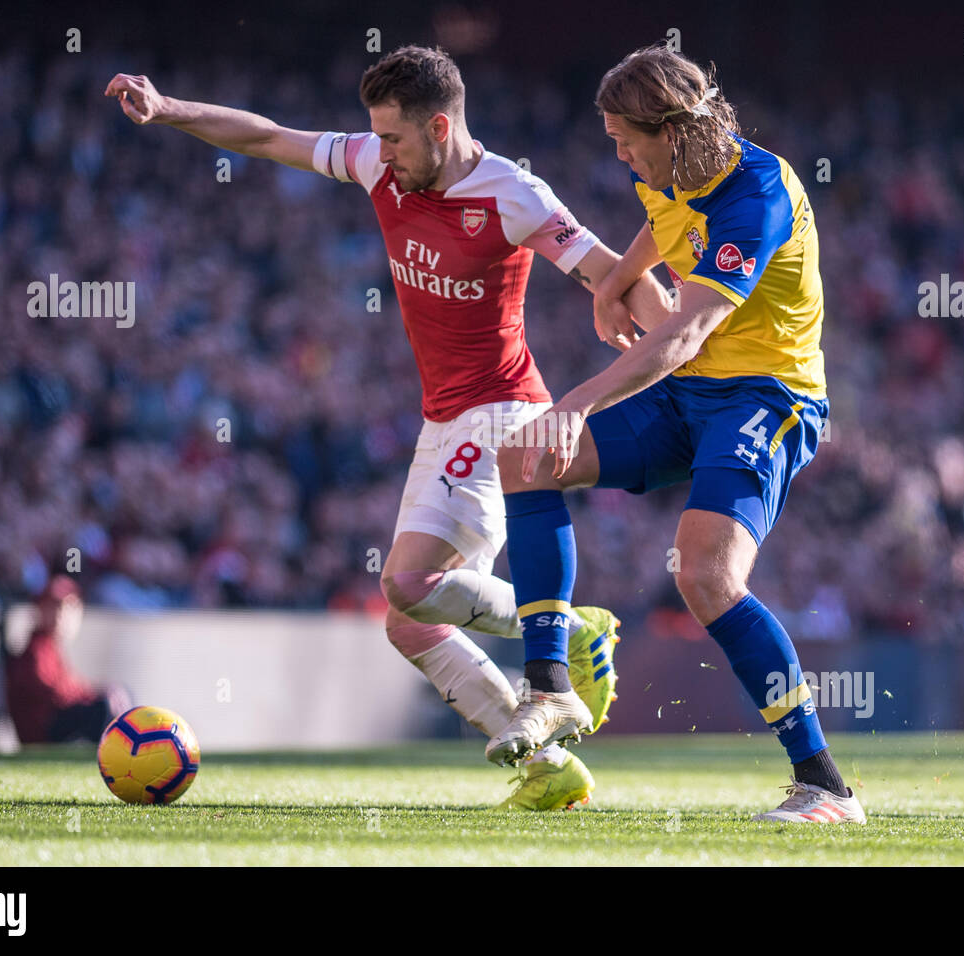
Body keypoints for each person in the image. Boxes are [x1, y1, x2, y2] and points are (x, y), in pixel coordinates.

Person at [105, 45, 669, 809]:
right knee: (408, 622)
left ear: (440, 126)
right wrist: (171, 109)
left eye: (396, 139)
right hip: (442, 419)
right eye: (377, 138)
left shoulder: (513, 194)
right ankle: (548, 768)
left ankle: (565, 631)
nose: (383, 153)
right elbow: (269, 138)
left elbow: (611, 269)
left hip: (504, 410)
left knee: (407, 582)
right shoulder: (377, 163)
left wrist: (670, 334)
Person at [489, 44, 867, 824]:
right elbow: (664, 223)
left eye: (626, 139)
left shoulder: (757, 194)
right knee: (525, 458)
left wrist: (577, 403)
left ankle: (825, 785)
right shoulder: (668, 167)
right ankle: (551, 687)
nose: (618, 154)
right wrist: (622, 278)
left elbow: (687, 333)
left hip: (767, 397)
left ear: (672, 130)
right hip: (691, 395)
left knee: (703, 573)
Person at [0, 575, 130, 745]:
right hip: (42, 734)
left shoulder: (51, 647)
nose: (62, 615)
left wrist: (102, 692)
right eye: (55, 608)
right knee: (103, 707)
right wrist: (96, 696)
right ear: (40, 610)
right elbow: (54, 693)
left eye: (69, 609)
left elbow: (69, 688)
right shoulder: (35, 649)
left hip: (52, 724)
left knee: (116, 695)